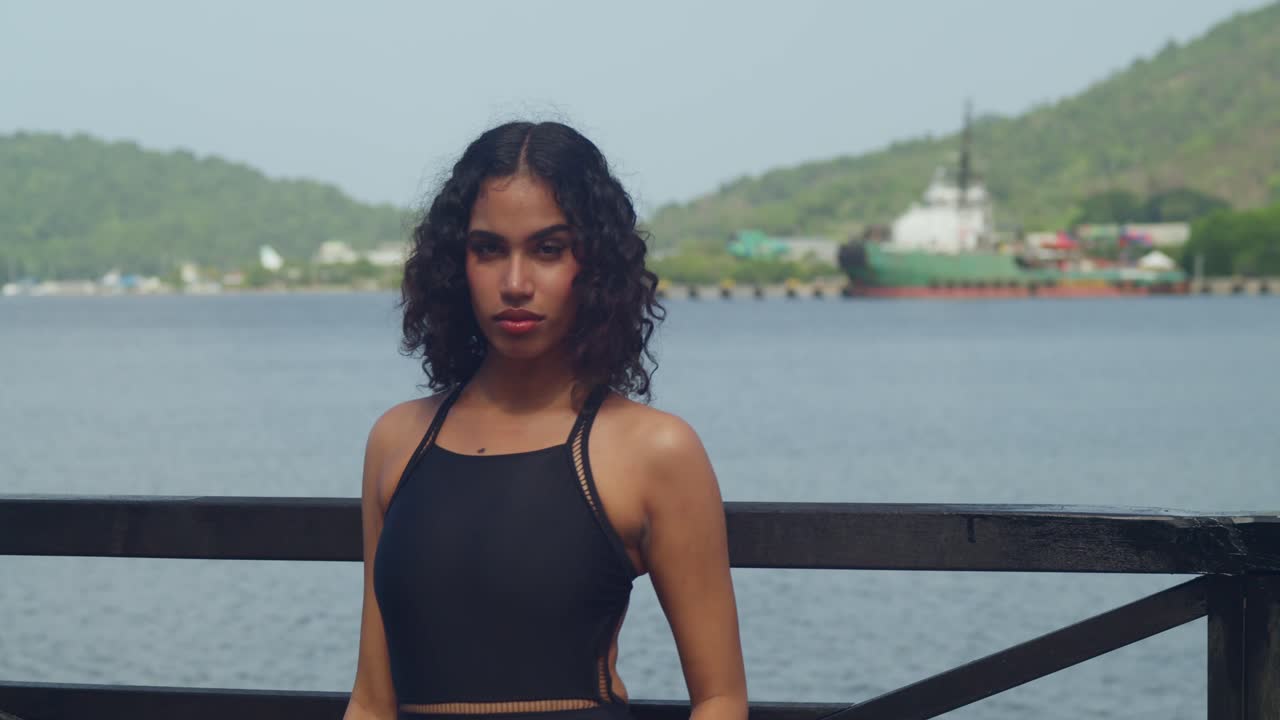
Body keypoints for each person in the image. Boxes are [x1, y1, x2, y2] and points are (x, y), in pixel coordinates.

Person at [344, 121, 747, 720]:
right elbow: (372, 701)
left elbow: (721, 700)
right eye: (488, 249)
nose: (514, 284)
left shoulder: (655, 450)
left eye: (548, 250)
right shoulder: (397, 442)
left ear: (597, 265)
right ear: (456, 265)